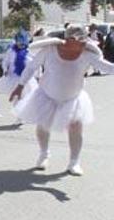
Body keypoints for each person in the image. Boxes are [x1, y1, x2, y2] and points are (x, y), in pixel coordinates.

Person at [10, 25, 114, 175]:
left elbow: (107, 67)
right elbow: (32, 67)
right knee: (43, 126)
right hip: (46, 95)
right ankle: (44, 154)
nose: (85, 43)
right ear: (71, 39)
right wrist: (20, 86)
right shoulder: (50, 50)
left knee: (75, 128)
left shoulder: (87, 54)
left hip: (73, 98)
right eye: (82, 40)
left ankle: (74, 162)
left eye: (85, 39)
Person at [0, 30, 38, 119]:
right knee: (16, 97)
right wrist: (5, 69)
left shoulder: (29, 51)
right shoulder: (11, 51)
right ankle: (18, 115)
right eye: (18, 41)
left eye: (22, 42)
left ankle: (23, 114)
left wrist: (38, 74)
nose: (20, 44)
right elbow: (5, 62)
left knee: (25, 97)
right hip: (13, 77)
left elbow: (36, 63)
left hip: (26, 79)